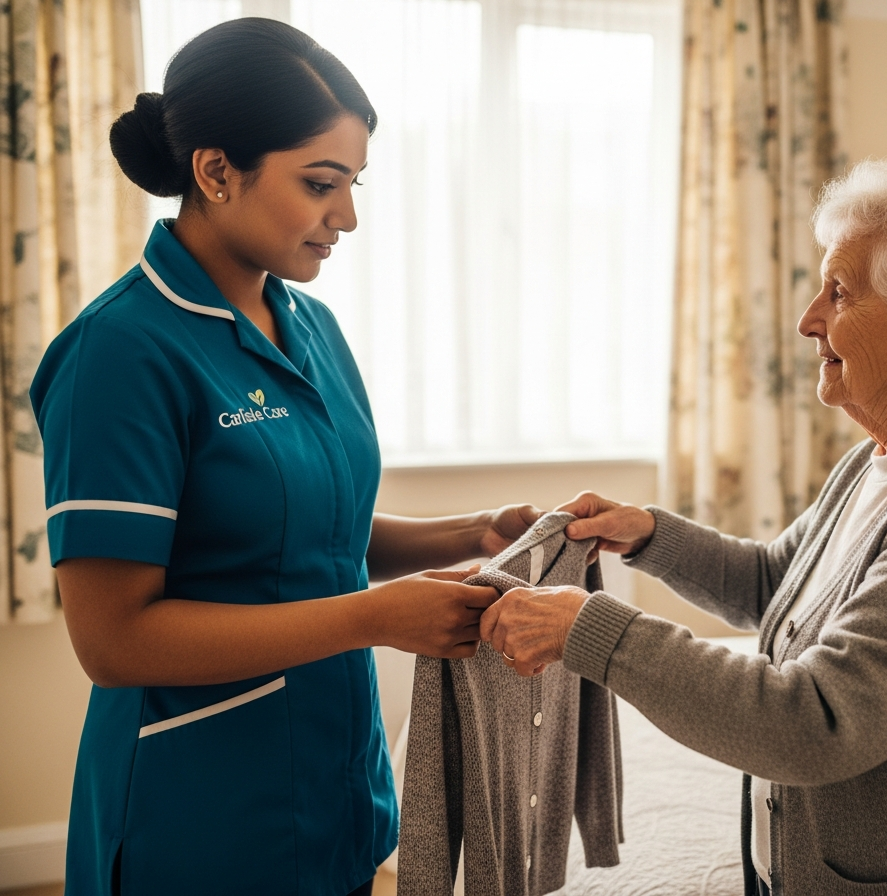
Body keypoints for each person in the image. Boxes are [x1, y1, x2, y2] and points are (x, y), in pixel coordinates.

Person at [482, 155, 887, 895]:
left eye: (839, 292)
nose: (809, 319)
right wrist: (648, 534)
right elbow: (782, 586)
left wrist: (590, 630)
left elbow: (817, 724)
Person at [31, 19, 531, 896]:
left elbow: (312, 529)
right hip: (198, 820)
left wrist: (476, 532)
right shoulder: (120, 353)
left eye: (352, 184)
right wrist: (374, 618)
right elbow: (113, 640)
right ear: (216, 172)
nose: (347, 216)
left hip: (332, 791)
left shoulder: (311, 328)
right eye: (319, 184)